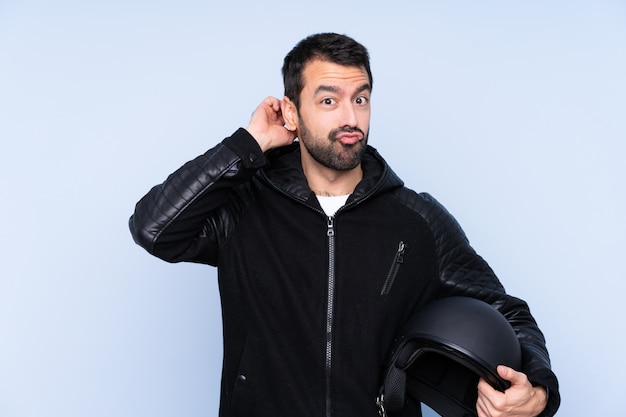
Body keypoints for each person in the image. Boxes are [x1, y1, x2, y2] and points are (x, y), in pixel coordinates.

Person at [129, 33, 560, 417]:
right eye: (329, 100)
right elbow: (154, 228)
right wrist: (247, 145)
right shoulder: (243, 207)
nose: (351, 118)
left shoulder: (417, 218)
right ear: (292, 114)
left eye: (361, 98)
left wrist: (538, 391)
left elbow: (507, 311)